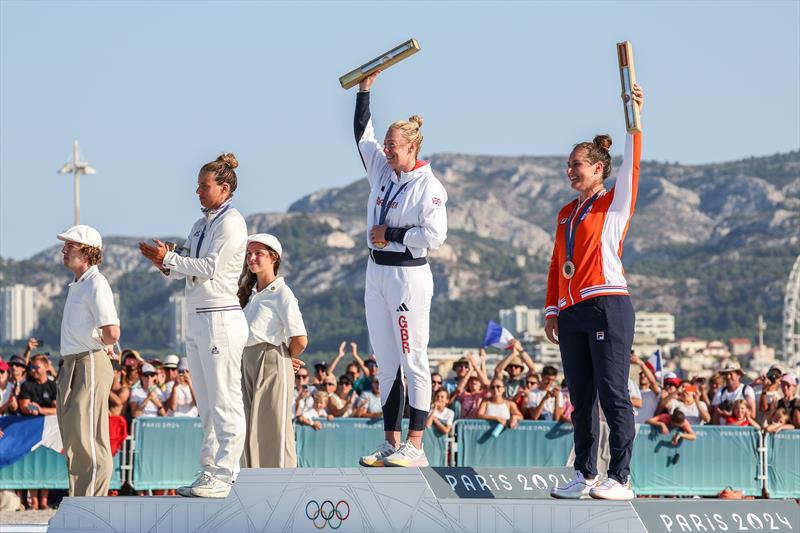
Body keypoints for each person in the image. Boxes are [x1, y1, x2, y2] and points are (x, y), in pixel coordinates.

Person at [545, 83, 645, 501]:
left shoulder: (614, 203)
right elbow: (556, 264)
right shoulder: (567, 212)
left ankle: (620, 477)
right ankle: (585, 472)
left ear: (599, 169)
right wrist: (552, 309)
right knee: (580, 398)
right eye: (568, 164)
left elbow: (634, 166)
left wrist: (635, 119)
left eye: (578, 164)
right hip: (572, 311)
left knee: (612, 392)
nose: (570, 170)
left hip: (608, 303)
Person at [139, 153, 248, 498]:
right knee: (206, 401)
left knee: (225, 399)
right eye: (198, 185)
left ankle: (228, 473)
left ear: (224, 188)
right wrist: (165, 263)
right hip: (198, 316)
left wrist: (170, 259)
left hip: (221, 315)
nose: (197, 191)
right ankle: (209, 469)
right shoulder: (201, 224)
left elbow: (211, 266)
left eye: (204, 186)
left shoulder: (232, 223)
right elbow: (189, 265)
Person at [354, 71, 448, 468]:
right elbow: (362, 136)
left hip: (409, 276)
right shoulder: (382, 171)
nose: (387, 151)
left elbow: (435, 236)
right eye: (387, 145)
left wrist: (391, 232)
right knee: (385, 361)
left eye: (393, 146)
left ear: (412, 147)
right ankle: (391, 441)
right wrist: (364, 92)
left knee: (413, 360)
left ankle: (416, 444)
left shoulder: (430, 186)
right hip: (376, 273)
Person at [56, 225, 121, 498]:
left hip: (89, 361)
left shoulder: (96, 282)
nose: (64, 249)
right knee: (74, 437)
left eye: (70, 245)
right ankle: (81, 499)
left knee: (90, 437)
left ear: (87, 252)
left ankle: (92, 503)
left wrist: (102, 346)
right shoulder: (79, 285)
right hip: (73, 362)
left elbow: (112, 331)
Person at [239, 233, 308, 468]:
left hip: (270, 359)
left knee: (274, 427)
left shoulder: (282, 293)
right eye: (249, 254)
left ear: (273, 258)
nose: (252, 258)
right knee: (248, 427)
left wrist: (287, 359)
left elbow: (300, 338)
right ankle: (252, 481)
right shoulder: (248, 294)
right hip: (245, 360)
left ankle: (283, 482)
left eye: (258, 253)